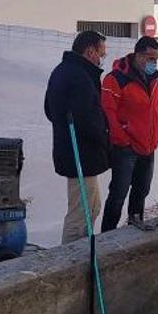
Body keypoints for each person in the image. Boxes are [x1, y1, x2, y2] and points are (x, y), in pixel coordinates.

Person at [44, 30, 110, 244]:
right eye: (101, 53)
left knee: (92, 206)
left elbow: (49, 109)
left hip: (77, 153)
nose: (101, 59)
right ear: (90, 51)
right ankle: (70, 258)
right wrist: (106, 138)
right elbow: (89, 119)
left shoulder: (63, 70)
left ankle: (82, 248)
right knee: (80, 213)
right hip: (80, 154)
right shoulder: (79, 76)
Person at [100, 36, 158, 232]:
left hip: (148, 146)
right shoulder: (115, 79)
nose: (153, 63)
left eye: (156, 59)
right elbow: (108, 112)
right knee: (118, 193)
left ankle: (135, 226)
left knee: (141, 190)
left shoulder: (156, 79)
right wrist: (122, 139)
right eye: (150, 58)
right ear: (138, 55)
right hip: (126, 148)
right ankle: (107, 234)